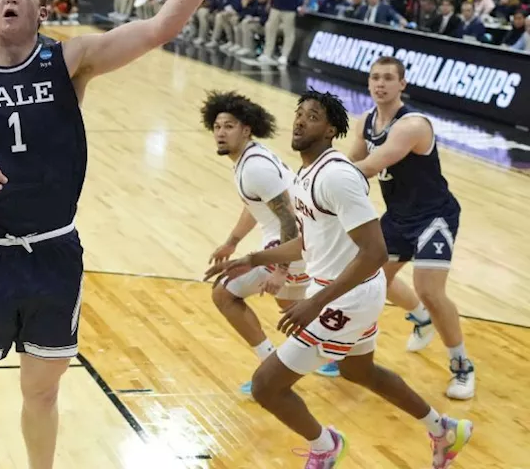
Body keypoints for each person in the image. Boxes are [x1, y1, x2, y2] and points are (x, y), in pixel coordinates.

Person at [0, 0, 258, 468]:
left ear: (40, 9)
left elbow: (159, 29)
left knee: (44, 390)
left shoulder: (70, 59)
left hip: (53, 254)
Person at [206, 91, 473, 468]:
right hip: (340, 290)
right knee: (358, 370)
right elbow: (307, 241)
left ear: (330, 129)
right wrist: (253, 257)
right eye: (298, 114)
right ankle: (442, 428)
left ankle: (325, 446)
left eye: (311, 116)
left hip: (346, 296)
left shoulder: (337, 176)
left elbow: (375, 253)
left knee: (267, 387)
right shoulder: (306, 174)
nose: (300, 121)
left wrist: (316, 302)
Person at [347, 56, 476, 400]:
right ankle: (420, 319)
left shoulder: (412, 125)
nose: (380, 84)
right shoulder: (364, 122)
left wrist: (321, 177)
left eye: (388, 78)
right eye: (375, 77)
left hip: (434, 216)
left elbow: (371, 165)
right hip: (398, 216)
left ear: (402, 84)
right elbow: (351, 163)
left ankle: (462, 366)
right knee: (372, 278)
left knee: (431, 290)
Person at [202, 91, 330, 394]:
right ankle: (340, 349)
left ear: (246, 129)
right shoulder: (248, 160)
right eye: (218, 126)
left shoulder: (255, 167)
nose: (221, 132)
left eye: (229, 126)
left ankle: (271, 368)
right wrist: (232, 242)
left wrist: (280, 270)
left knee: (223, 294)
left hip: (292, 246)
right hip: (297, 244)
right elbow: (255, 204)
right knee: (294, 311)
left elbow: (288, 219)